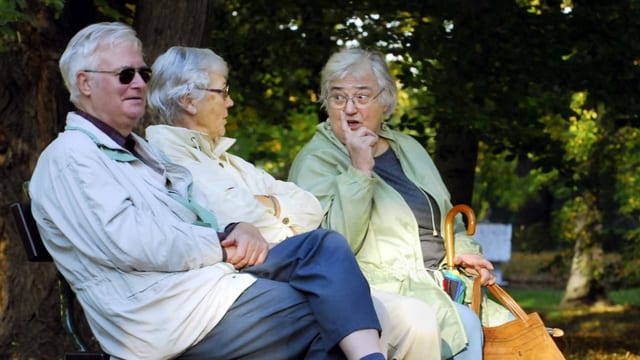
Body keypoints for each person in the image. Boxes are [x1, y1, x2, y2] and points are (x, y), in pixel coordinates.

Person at [28, 22, 386, 360]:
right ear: (85, 83)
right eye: (125, 74)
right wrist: (221, 244)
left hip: (201, 286)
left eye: (143, 74)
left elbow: (190, 215)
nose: (138, 83)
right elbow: (131, 243)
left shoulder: (137, 151)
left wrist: (234, 230)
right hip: (160, 317)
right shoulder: (72, 158)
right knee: (325, 313)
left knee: (323, 247)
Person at [145, 45, 442, 360]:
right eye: (222, 91)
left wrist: (267, 205)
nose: (230, 101)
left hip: (299, 270)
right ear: (189, 101)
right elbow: (245, 219)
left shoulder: (227, 160)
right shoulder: (170, 158)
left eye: (361, 96)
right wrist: (356, 174)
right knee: (403, 315)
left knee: (410, 319)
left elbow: (307, 207)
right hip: (250, 283)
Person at [289, 48, 513, 360]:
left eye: (362, 96)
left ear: (385, 100)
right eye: (338, 97)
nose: (350, 108)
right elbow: (333, 246)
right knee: (464, 328)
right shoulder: (316, 161)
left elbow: (450, 219)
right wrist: (359, 170)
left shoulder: (408, 147)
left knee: (518, 336)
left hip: (449, 284)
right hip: (384, 294)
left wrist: (466, 252)